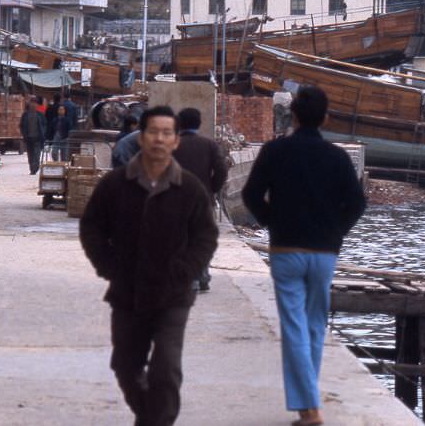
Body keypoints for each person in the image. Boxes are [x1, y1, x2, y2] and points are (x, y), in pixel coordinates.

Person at [79, 106, 218, 426]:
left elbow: (205, 237)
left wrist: (185, 270)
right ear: (141, 138)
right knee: (126, 366)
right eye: (153, 132)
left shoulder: (190, 189)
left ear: (176, 141)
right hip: (127, 292)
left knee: (166, 367)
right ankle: (150, 417)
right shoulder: (115, 184)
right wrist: (108, 266)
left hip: (173, 295)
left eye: (167, 133)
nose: (159, 139)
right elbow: (92, 227)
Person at [242, 85, 366, 426]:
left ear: (292, 115)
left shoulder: (274, 151)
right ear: (325, 118)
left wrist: (273, 222)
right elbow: (357, 204)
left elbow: (251, 194)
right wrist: (335, 231)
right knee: (314, 325)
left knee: (295, 326)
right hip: (324, 252)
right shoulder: (338, 158)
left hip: (287, 250)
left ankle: (309, 406)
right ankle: (308, 403)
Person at [172, 107, 228, 292]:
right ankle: (201, 275)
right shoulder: (209, 145)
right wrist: (213, 188)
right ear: (199, 124)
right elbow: (221, 169)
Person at [20, 99, 46, 175]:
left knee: (37, 155)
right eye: (32, 103)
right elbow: (21, 125)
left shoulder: (40, 115)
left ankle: (35, 168)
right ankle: (32, 169)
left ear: (37, 105)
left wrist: (43, 133)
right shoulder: (25, 115)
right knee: (30, 155)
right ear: (30, 104)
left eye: (35, 103)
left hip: (38, 138)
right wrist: (23, 134)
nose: (33, 105)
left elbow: (44, 124)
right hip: (28, 138)